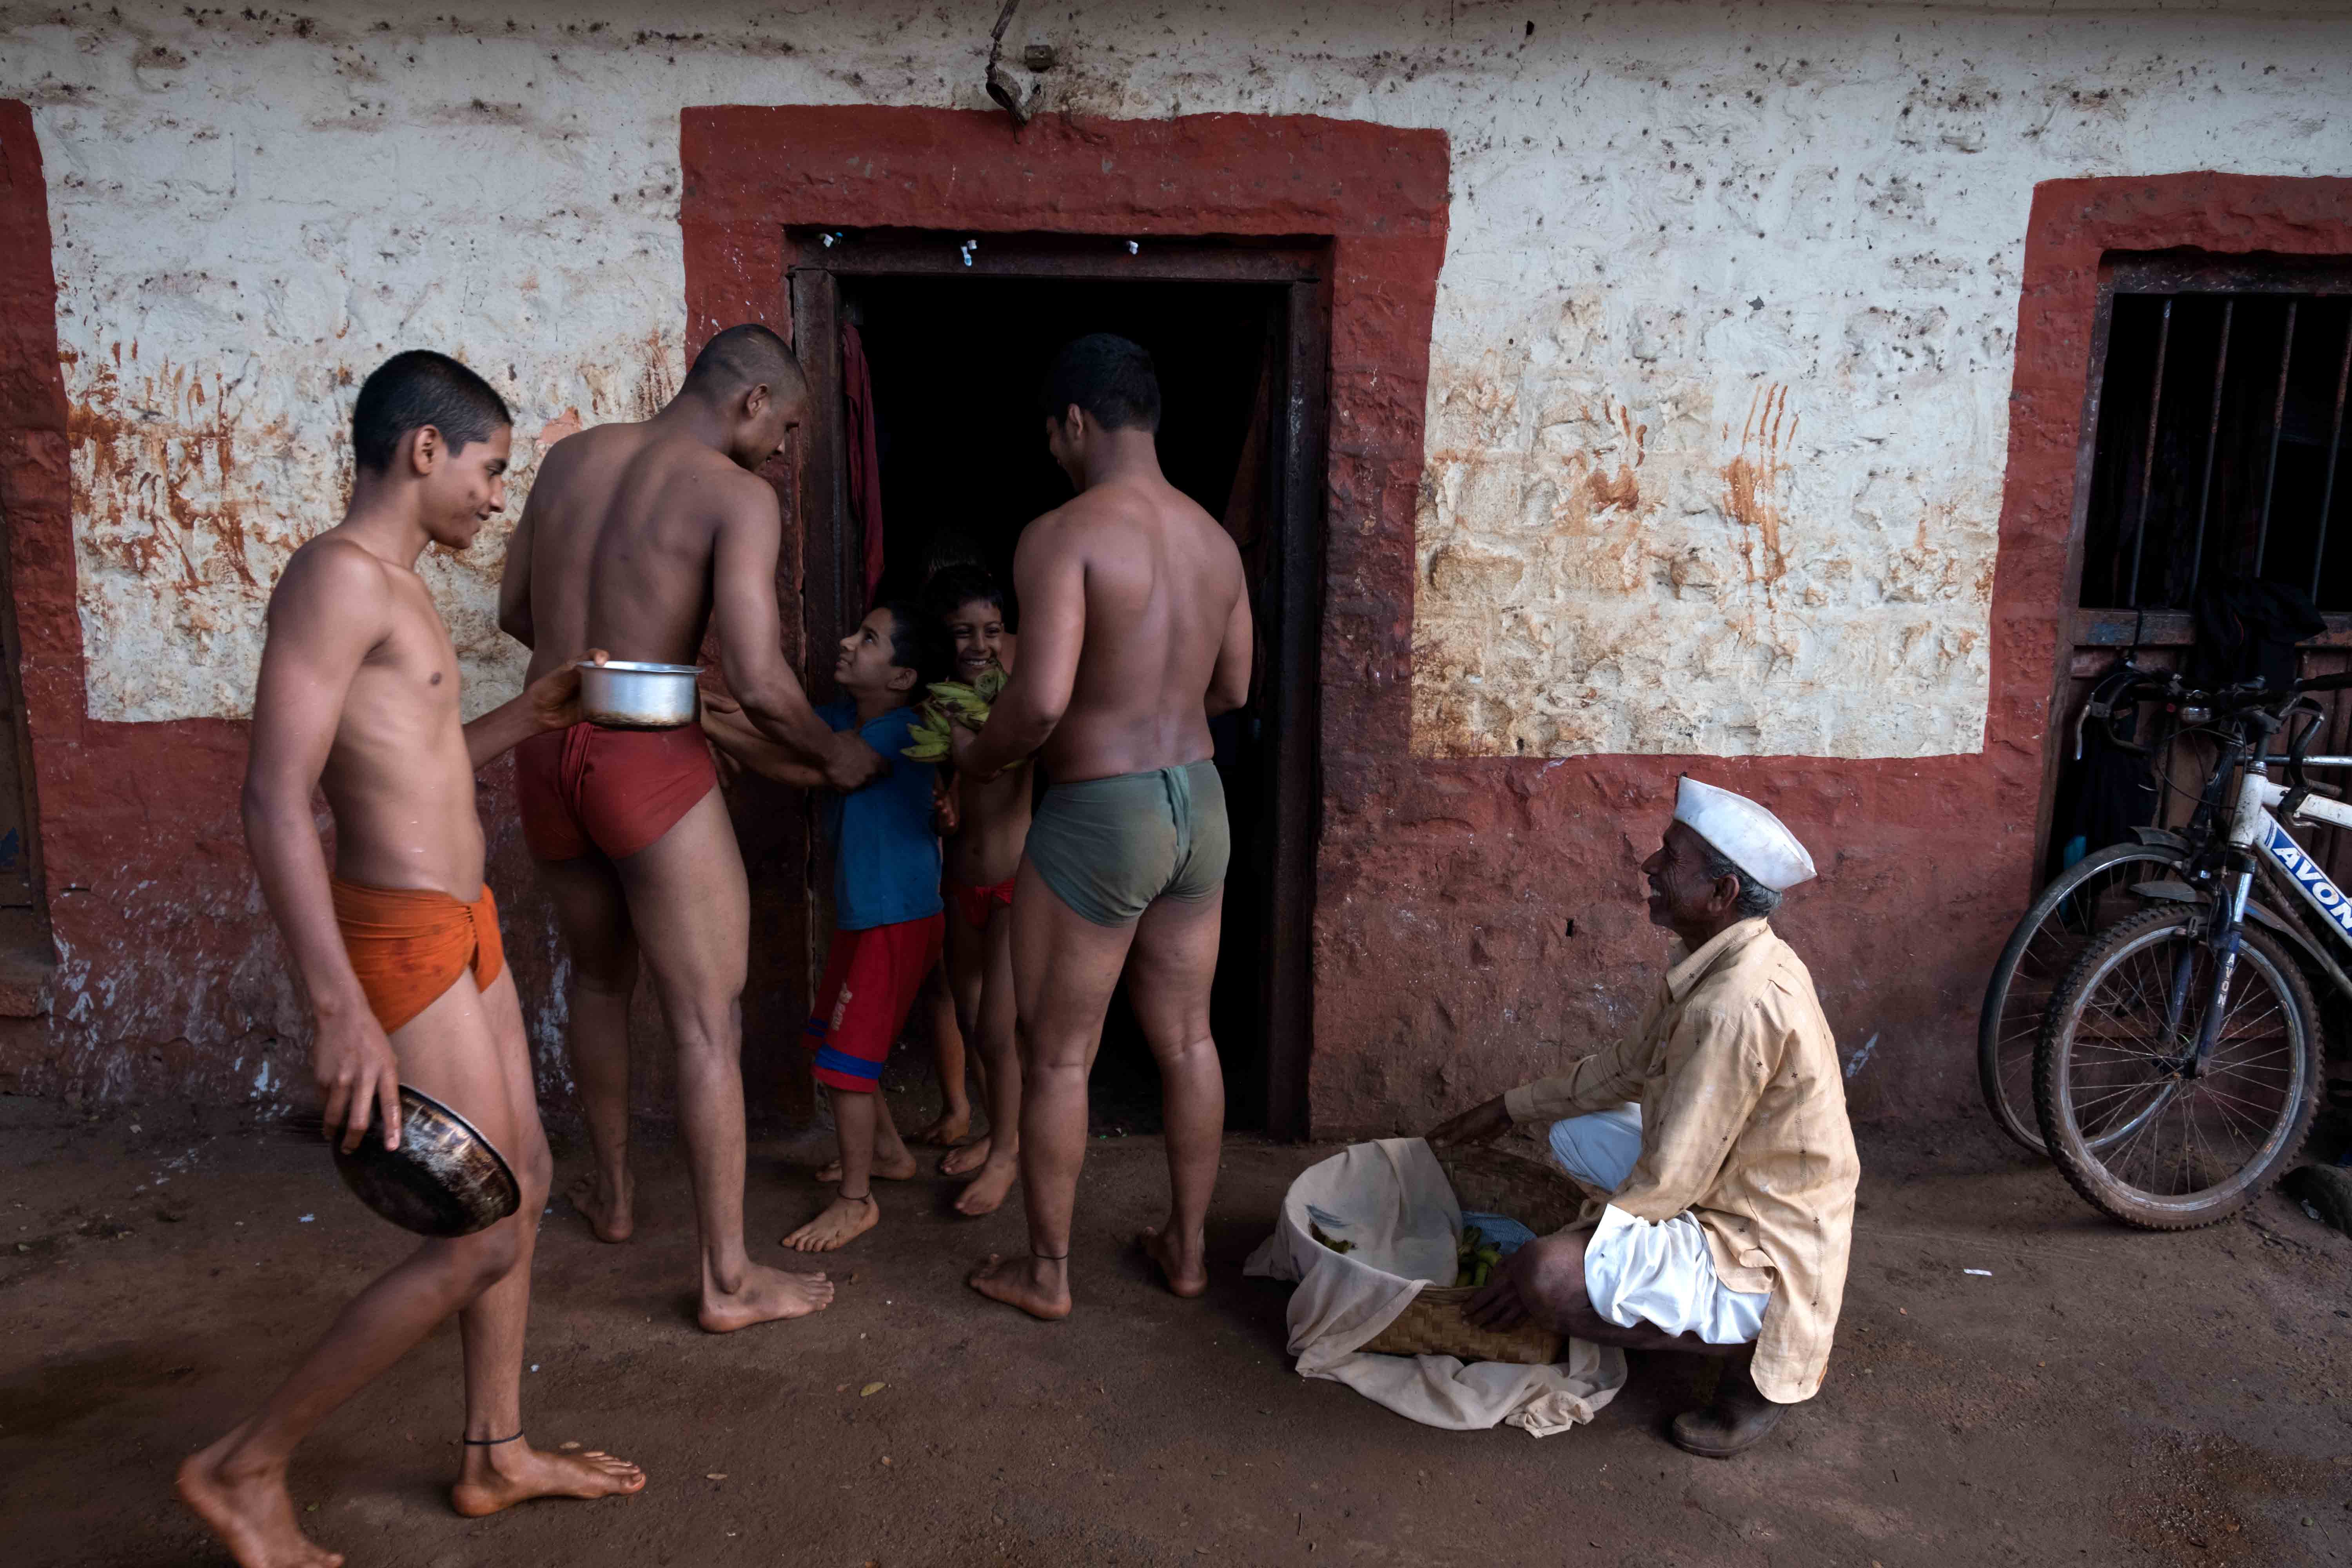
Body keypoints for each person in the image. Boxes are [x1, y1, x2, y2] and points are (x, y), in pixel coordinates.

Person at [180, 352, 644, 1568]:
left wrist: (530, 720)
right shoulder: (337, 581)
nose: (498, 497)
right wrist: (336, 1006)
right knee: (479, 1232)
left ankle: (495, 1454)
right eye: (492, 468)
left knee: (527, 1176)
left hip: (465, 921)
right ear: (426, 450)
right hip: (397, 939)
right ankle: (245, 1465)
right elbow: (276, 801)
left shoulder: (401, 584)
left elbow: (413, 770)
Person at [495, 324, 881, 1332]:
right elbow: (757, 675)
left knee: (602, 978)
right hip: (643, 757)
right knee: (709, 1016)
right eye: (788, 428)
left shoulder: (571, 460)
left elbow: (513, 608)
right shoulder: (733, 495)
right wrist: (833, 755)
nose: (785, 453)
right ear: (751, 400)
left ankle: (617, 1198)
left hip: (543, 744)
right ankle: (727, 1279)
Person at [1425, 777, 1860, 1459]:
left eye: (1671, 860)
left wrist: (1550, 1259)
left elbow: (1668, 1182)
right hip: (1732, 1182)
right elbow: (1629, 1067)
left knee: (1548, 1276)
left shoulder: (1733, 1007)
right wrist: (1507, 1109)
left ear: (1722, 896)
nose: (1651, 868)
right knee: (1576, 1133)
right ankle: (1657, 1299)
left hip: (1760, 1241)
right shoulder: (1725, 957)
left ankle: (1753, 1361)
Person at [957, 334, 1252, 1320]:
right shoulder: (1215, 540)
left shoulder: (1064, 532)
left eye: (1055, 439)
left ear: (1074, 422)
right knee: (1188, 1040)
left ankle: (1046, 1272)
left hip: (1101, 812)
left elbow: (1038, 701)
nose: (1056, 454)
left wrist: (980, 758)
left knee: (1057, 1055)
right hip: (1199, 802)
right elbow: (1234, 686)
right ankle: (1186, 1249)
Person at [701, 604, 945, 1251]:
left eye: (868, 640)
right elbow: (781, 736)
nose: (846, 642)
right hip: (865, 913)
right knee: (838, 1050)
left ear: (902, 678)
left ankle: (857, 1200)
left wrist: (703, 719)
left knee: (845, 1067)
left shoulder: (900, 731)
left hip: (895, 917)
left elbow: (803, 769)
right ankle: (888, 1155)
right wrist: (707, 702)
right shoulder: (845, 720)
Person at [924, 564, 1029, 1216]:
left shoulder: (1020, 702)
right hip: (961, 880)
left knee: (998, 1026)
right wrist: (947, 807)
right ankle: (996, 1129)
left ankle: (1008, 1155)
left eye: (990, 630)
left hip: (1018, 882)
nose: (978, 645)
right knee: (968, 1015)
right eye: (962, 633)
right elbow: (950, 786)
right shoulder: (937, 704)